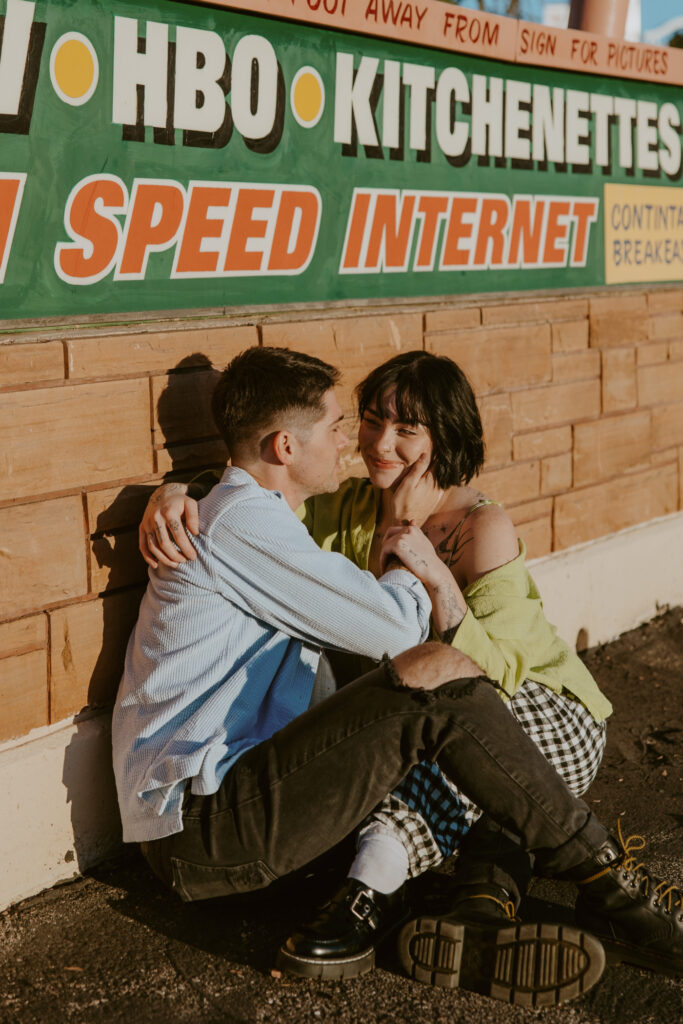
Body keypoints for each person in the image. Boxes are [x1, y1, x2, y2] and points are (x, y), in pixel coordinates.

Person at [124, 346, 681, 1002]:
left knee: (455, 722)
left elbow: (496, 662)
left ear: (440, 439)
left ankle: (450, 905)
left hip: (540, 707)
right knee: (436, 689)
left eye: (400, 428)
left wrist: (438, 583)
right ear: (283, 445)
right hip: (205, 827)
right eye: (345, 424)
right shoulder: (261, 519)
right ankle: (610, 891)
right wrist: (173, 490)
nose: (355, 443)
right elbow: (392, 632)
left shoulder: (472, 523)